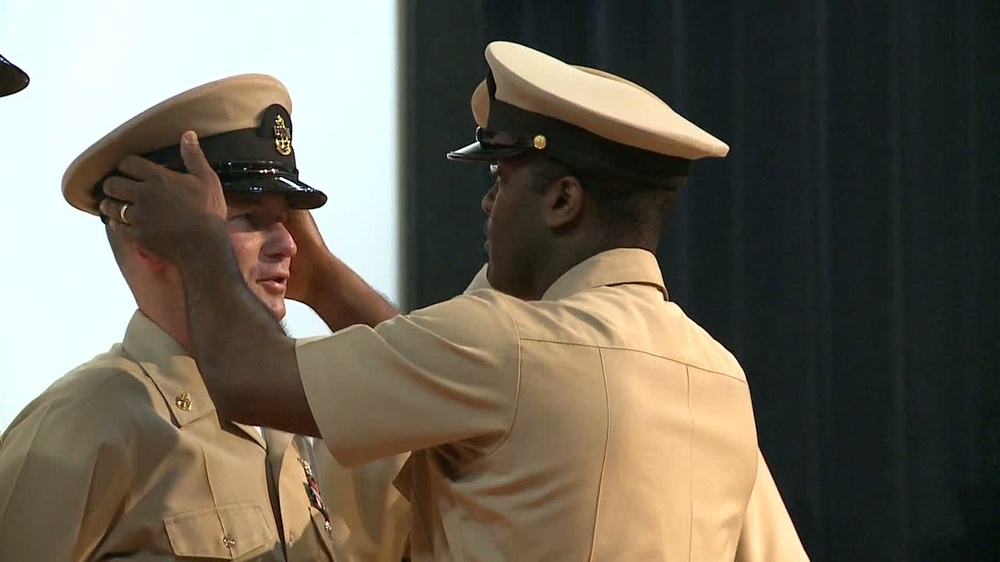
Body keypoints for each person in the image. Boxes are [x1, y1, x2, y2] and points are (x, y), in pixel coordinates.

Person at [98, 41, 808, 560]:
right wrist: (318, 279)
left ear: (562, 200)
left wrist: (200, 245)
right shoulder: (716, 381)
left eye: (504, 176)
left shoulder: (509, 342)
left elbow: (252, 382)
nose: (489, 200)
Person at [0, 74, 405, 561]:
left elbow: (443, 423)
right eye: (249, 219)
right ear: (155, 242)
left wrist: (324, 283)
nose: (290, 245)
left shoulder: (312, 418)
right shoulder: (86, 423)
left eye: (287, 219)